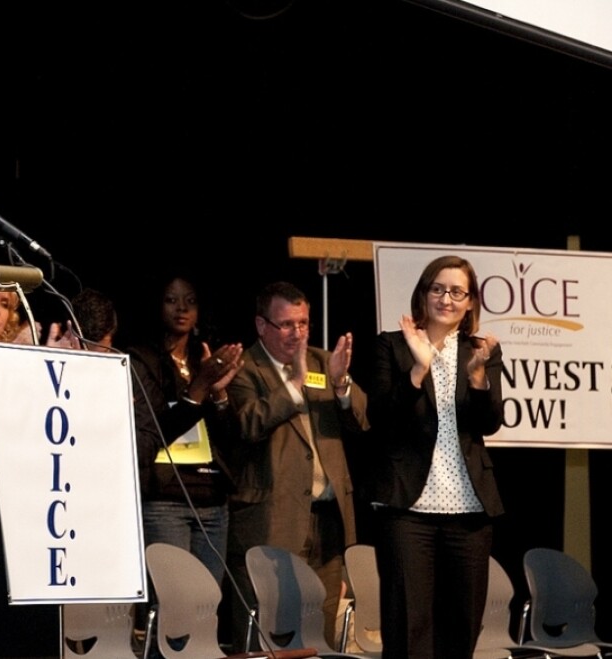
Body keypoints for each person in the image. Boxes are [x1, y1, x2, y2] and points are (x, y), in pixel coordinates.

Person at [368, 255, 504, 659]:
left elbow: (489, 422)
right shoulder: (391, 345)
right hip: (409, 508)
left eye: (457, 291)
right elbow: (381, 419)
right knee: (410, 626)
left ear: (469, 301)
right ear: (424, 293)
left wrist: (479, 377)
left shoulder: (481, 350)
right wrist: (417, 369)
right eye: (438, 289)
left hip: (469, 509)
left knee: (461, 626)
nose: (447, 298)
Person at [226, 281, 369, 651]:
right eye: (286, 324)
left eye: (303, 323)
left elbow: (364, 421)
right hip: (274, 518)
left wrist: (341, 385)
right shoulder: (243, 368)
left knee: (317, 631)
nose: (298, 333)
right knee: (270, 633)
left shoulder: (326, 362)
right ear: (262, 326)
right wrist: (293, 386)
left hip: (329, 521)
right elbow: (247, 425)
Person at [127, 275, 243, 586]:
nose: (182, 308)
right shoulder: (140, 360)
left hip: (213, 499)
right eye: (172, 300)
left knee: (207, 604)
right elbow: (156, 431)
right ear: (156, 305)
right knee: (176, 602)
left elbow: (231, 437)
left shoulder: (204, 359)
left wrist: (218, 393)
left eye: (190, 301)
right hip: (165, 499)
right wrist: (200, 385)